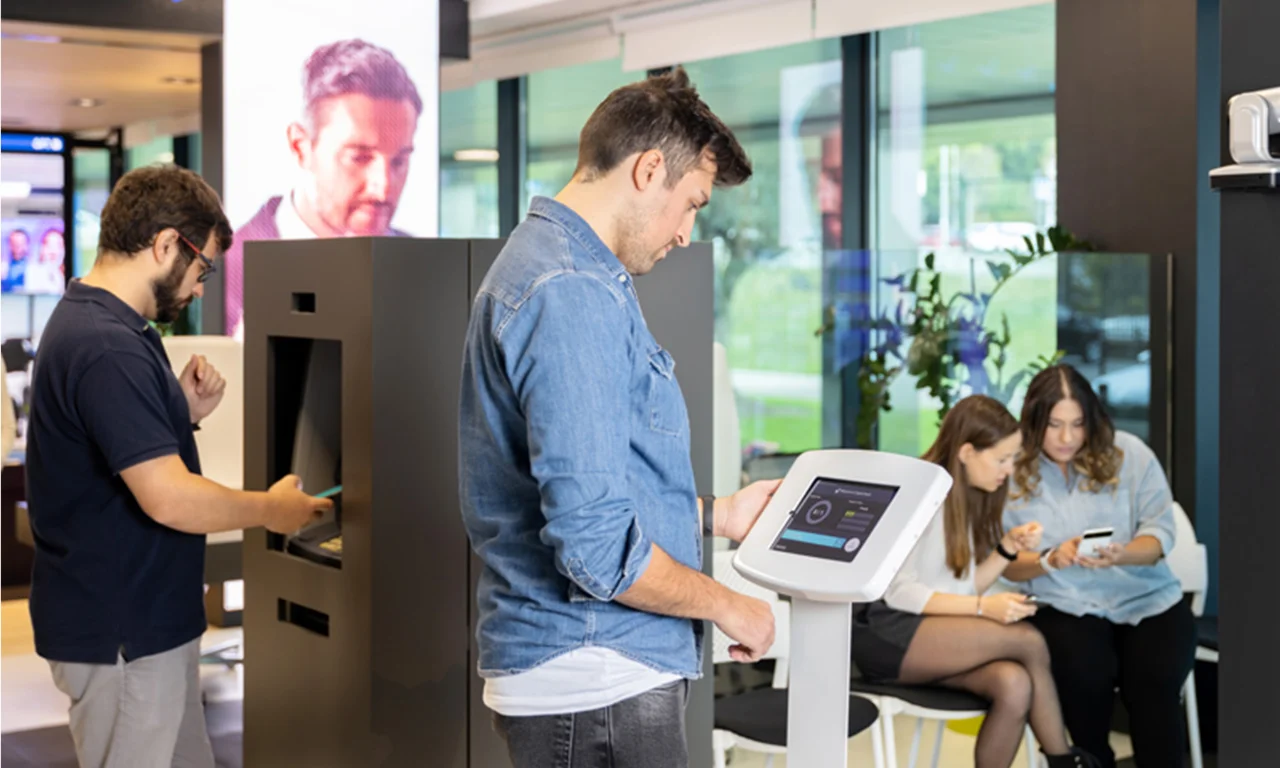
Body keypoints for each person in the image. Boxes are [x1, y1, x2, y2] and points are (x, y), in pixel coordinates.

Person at [459, 67, 780, 768]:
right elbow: (595, 547)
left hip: (591, 680)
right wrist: (729, 604)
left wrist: (715, 516)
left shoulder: (565, 269)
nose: (688, 233)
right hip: (594, 681)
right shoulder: (571, 290)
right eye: (692, 203)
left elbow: (593, 486)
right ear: (648, 170)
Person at [25, 165, 333, 768]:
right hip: (123, 634)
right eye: (202, 269)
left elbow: (114, 456)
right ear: (166, 243)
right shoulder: (106, 344)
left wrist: (180, 414)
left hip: (144, 625)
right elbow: (169, 498)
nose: (199, 289)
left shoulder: (113, 327)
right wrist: (272, 509)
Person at [851, 395, 1099, 768]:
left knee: (1014, 684)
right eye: (1002, 459)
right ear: (967, 451)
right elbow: (901, 592)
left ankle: (1063, 760)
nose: (1010, 470)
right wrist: (985, 609)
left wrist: (1004, 550)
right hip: (886, 631)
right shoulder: (921, 496)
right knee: (1028, 640)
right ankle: (1064, 761)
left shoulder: (964, 496)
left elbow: (959, 590)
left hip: (925, 633)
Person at [1003, 364, 1196, 768]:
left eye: (1077, 424)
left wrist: (1121, 554)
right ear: (1034, 421)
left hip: (1147, 598)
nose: (1067, 438)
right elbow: (1007, 566)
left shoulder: (1129, 453)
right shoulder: (1013, 469)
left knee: (1154, 682)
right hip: (1065, 604)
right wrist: (1049, 558)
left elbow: (1159, 535)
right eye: (1054, 425)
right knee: (1082, 677)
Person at [223, 38, 421, 340]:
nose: (383, 188)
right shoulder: (224, 277)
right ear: (301, 147)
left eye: (399, 161)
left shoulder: (422, 269)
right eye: (359, 157)